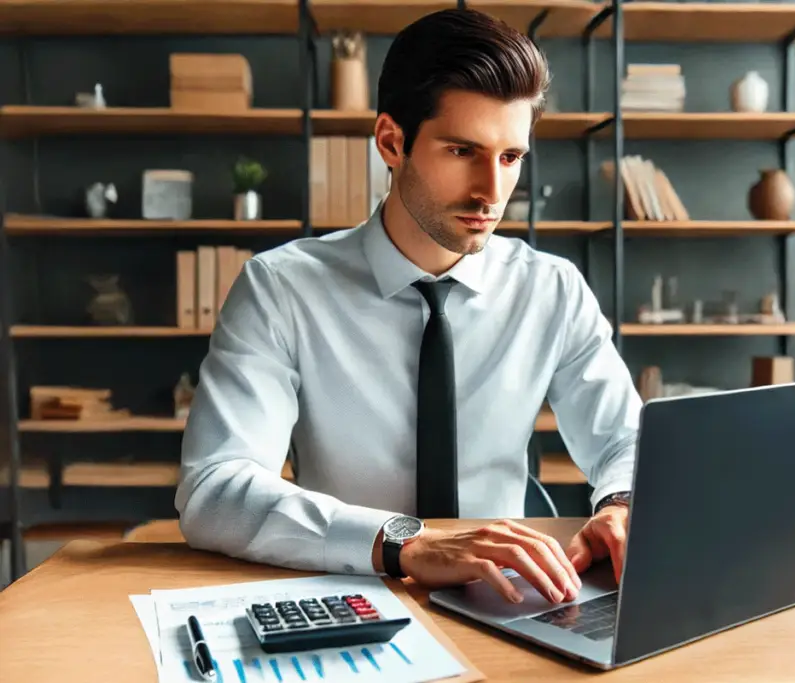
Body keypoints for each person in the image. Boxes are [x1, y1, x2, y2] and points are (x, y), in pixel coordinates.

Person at [175, 8, 642, 607]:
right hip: (349, 586)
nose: (492, 193)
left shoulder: (552, 289)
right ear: (393, 142)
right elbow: (214, 488)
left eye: (510, 158)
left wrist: (622, 504)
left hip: (511, 599)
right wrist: (404, 542)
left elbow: (625, 439)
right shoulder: (280, 288)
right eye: (461, 151)